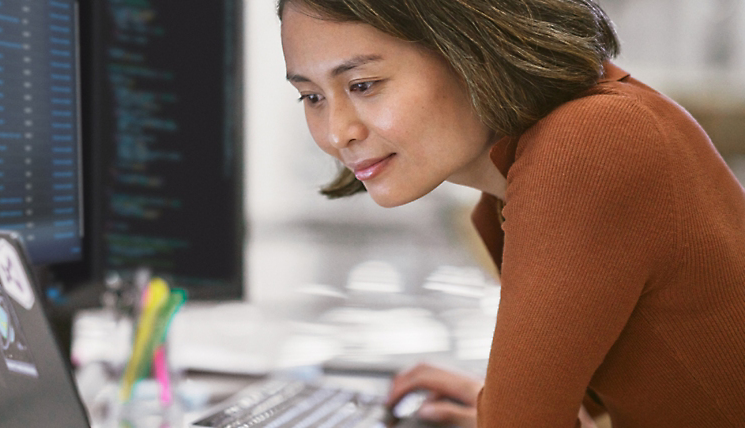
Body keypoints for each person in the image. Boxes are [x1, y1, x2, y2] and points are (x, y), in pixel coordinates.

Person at [278, 0, 745, 427]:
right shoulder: (512, 184)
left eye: (363, 85)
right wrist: (495, 407)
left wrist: (506, 413)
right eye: (312, 96)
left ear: (469, 50)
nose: (338, 133)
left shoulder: (589, 142)